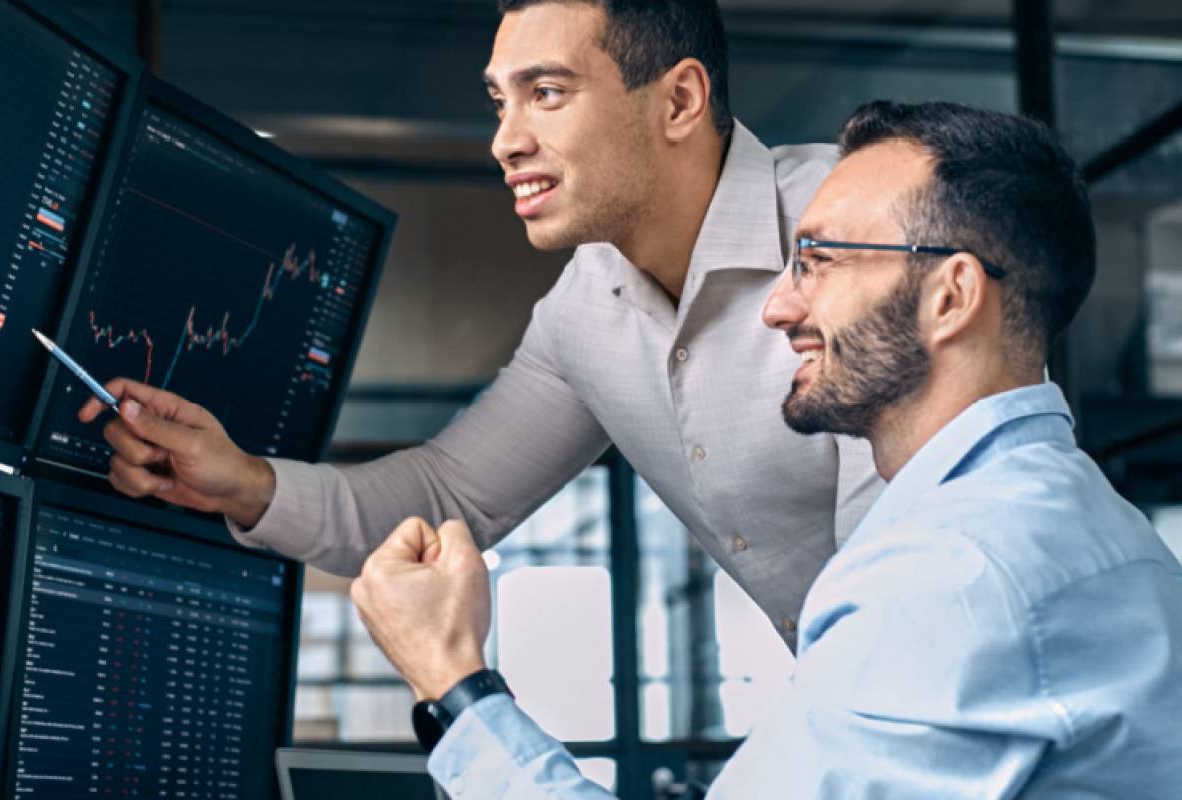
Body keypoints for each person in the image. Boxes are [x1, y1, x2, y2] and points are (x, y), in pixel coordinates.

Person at [349, 100, 1182, 798]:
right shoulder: (1076, 527)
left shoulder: (958, 571)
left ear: (952, 296)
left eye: (817, 259)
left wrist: (453, 682)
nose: (777, 308)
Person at [81, 0, 882, 648]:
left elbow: (901, 575)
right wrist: (244, 482)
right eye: (500, 100)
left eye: (548, 93)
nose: (505, 141)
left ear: (678, 100)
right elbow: (448, 493)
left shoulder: (860, 234)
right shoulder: (582, 312)